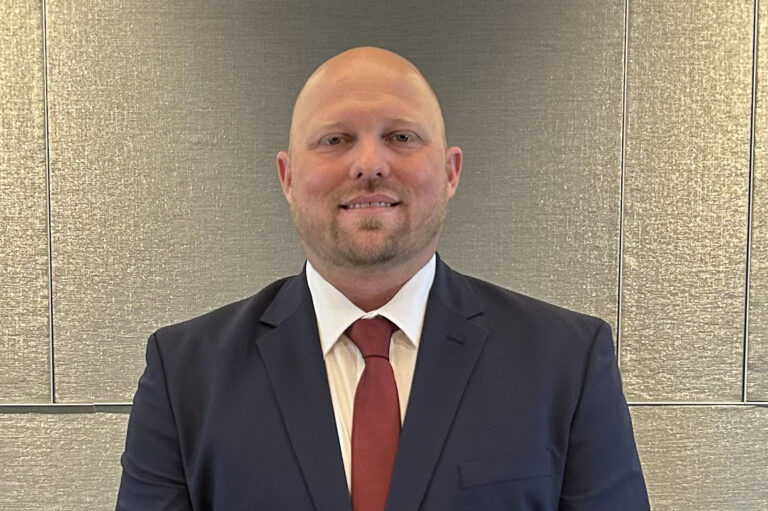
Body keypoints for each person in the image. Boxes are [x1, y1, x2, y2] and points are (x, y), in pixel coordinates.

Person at [116, 46, 649, 510]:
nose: (369, 164)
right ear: (287, 177)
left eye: (401, 137)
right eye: (335, 140)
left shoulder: (566, 363)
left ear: (450, 172)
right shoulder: (185, 375)